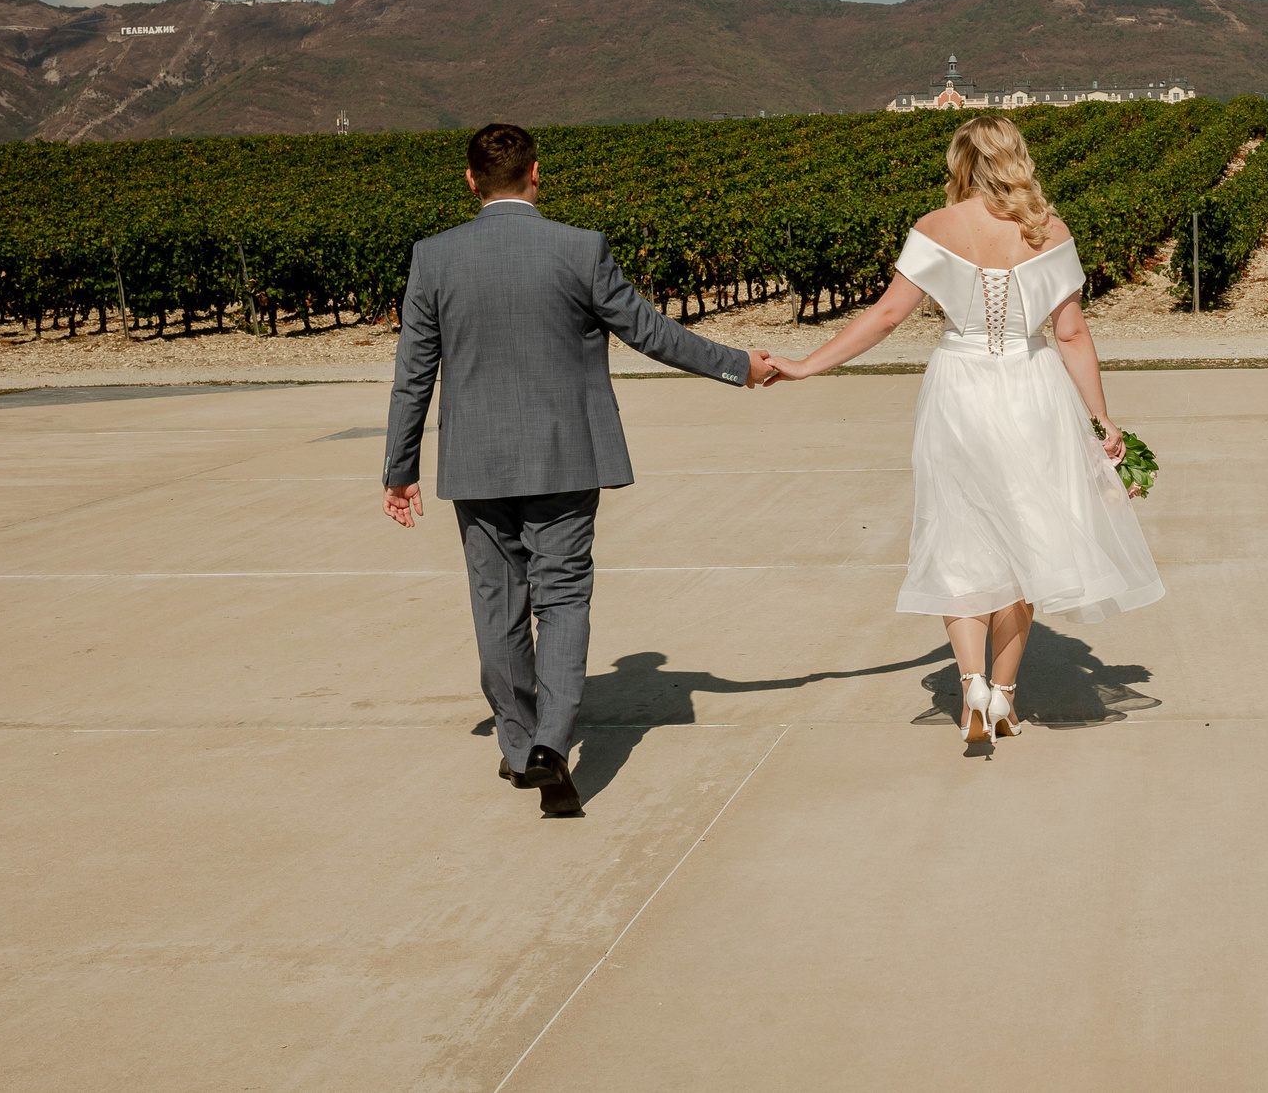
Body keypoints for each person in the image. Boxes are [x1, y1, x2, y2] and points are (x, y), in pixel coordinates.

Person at [382, 122, 772, 817]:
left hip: (475, 466)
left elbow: (413, 372)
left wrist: (399, 466)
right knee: (562, 597)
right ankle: (552, 747)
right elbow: (649, 330)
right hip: (566, 458)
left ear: (471, 181)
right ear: (537, 173)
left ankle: (517, 741)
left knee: (496, 604)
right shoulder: (578, 248)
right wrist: (737, 365)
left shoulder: (433, 258)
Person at [766, 114, 1163, 744]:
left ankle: (971, 687)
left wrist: (807, 365)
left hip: (960, 387)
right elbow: (1071, 333)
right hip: (1035, 389)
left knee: (960, 532)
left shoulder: (937, 227)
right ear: (1016, 158)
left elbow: (888, 315)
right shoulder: (1049, 229)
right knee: (1027, 536)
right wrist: (1101, 418)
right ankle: (1005, 694)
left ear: (962, 163)